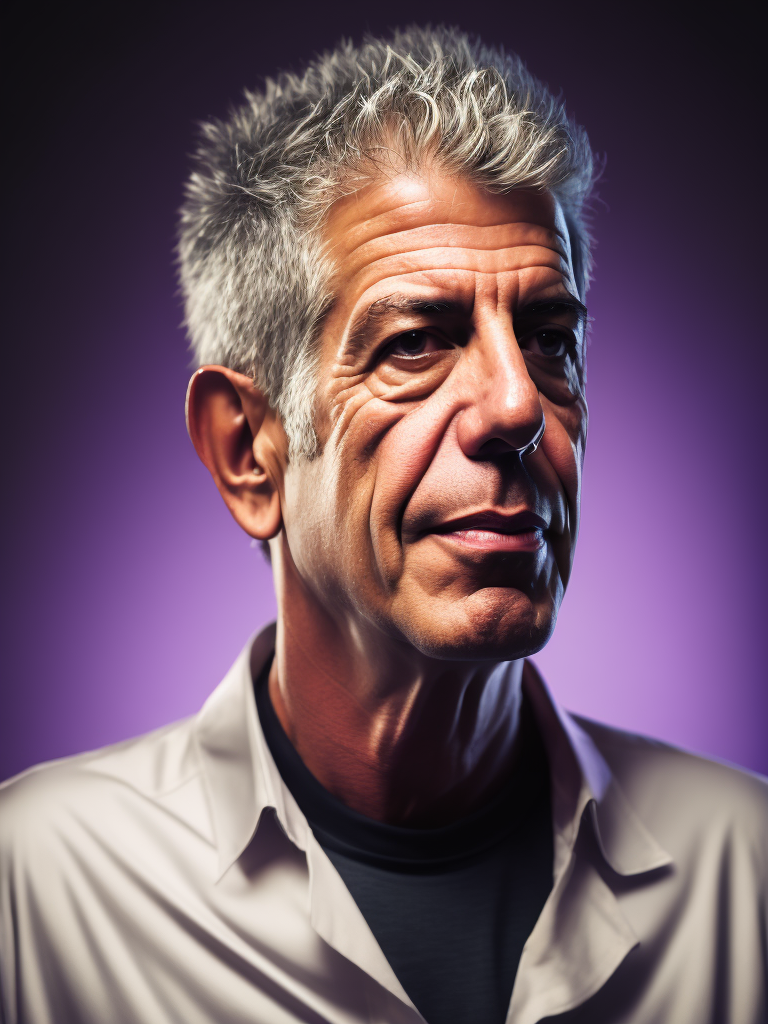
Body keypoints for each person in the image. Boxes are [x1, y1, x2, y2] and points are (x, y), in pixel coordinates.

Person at [1, 25, 765, 1024]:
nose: (516, 406)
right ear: (248, 452)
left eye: (550, 341)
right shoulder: (37, 892)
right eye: (416, 342)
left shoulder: (745, 875)